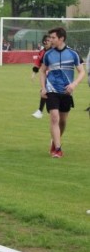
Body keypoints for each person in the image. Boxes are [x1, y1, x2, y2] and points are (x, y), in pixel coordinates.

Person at [38, 27, 85, 158]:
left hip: (66, 92)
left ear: (61, 38)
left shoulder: (73, 53)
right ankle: (58, 149)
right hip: (51, 90)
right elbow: (42, 71)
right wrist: (43, 88)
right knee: (54, 118)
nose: (50, 40)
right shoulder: (48, 54)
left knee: (62, 122)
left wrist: (74, 84)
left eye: (53, 38)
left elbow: (82, 71)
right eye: (50, 38)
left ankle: (55, 142)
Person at [31, 34, 51, 118]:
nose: (46, 42)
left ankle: (41, 111)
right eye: (45, 41)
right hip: (45, 76)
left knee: (45, 92)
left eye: (48, 40)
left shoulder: (55, 51)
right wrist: (33, 73)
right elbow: (38, 63)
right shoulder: (42, 52)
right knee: (44, 91)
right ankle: (41, 111)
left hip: (54, 76)